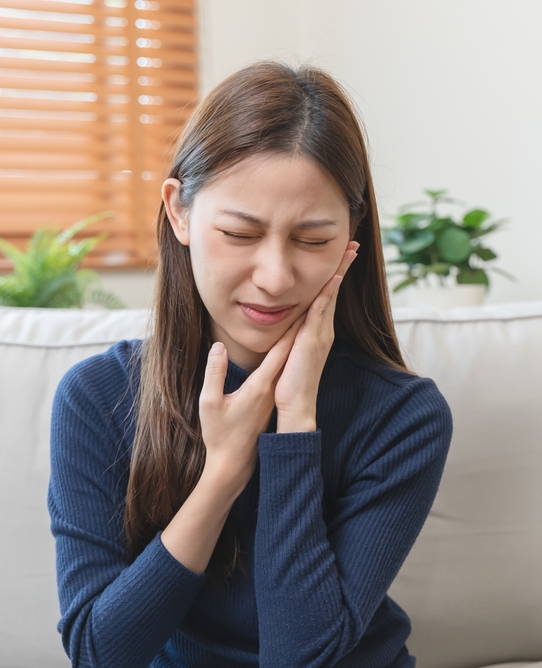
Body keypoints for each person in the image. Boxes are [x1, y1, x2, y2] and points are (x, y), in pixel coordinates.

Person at [47, 59, 454, 668]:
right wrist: (224, 472)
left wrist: (295, 424)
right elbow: (101, 656)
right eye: (240, 233)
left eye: (312, 240)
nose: (274, 277)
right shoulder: (98, 397)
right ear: (180, 212)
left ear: (352, 236)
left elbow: (301, 658)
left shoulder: (402, 416)